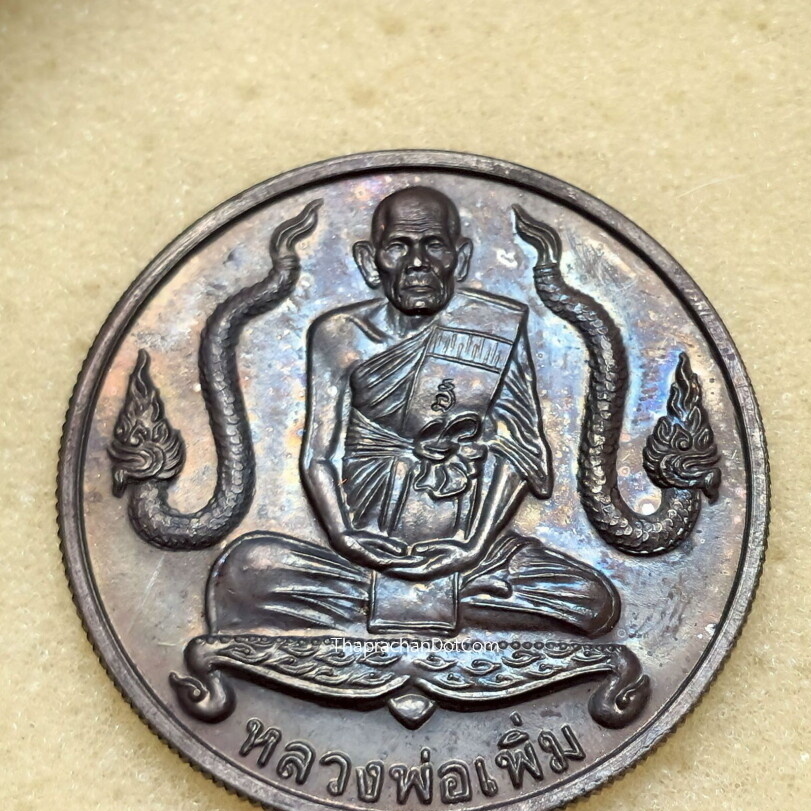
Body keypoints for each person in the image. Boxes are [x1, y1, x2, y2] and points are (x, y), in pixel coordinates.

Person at [206, 187, 619, 638]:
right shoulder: (339, 334)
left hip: (470, 548)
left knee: (591, 600)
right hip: (361, 545)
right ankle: (422, 600)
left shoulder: (493, 327)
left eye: (433, 245)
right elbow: (319, 455)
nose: (417, 262)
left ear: (460, 258)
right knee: (249, 572)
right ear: (370, 260)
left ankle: (375, 603)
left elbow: (519, 448)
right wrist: (344, 537)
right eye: (399, 247)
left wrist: (472, 545)